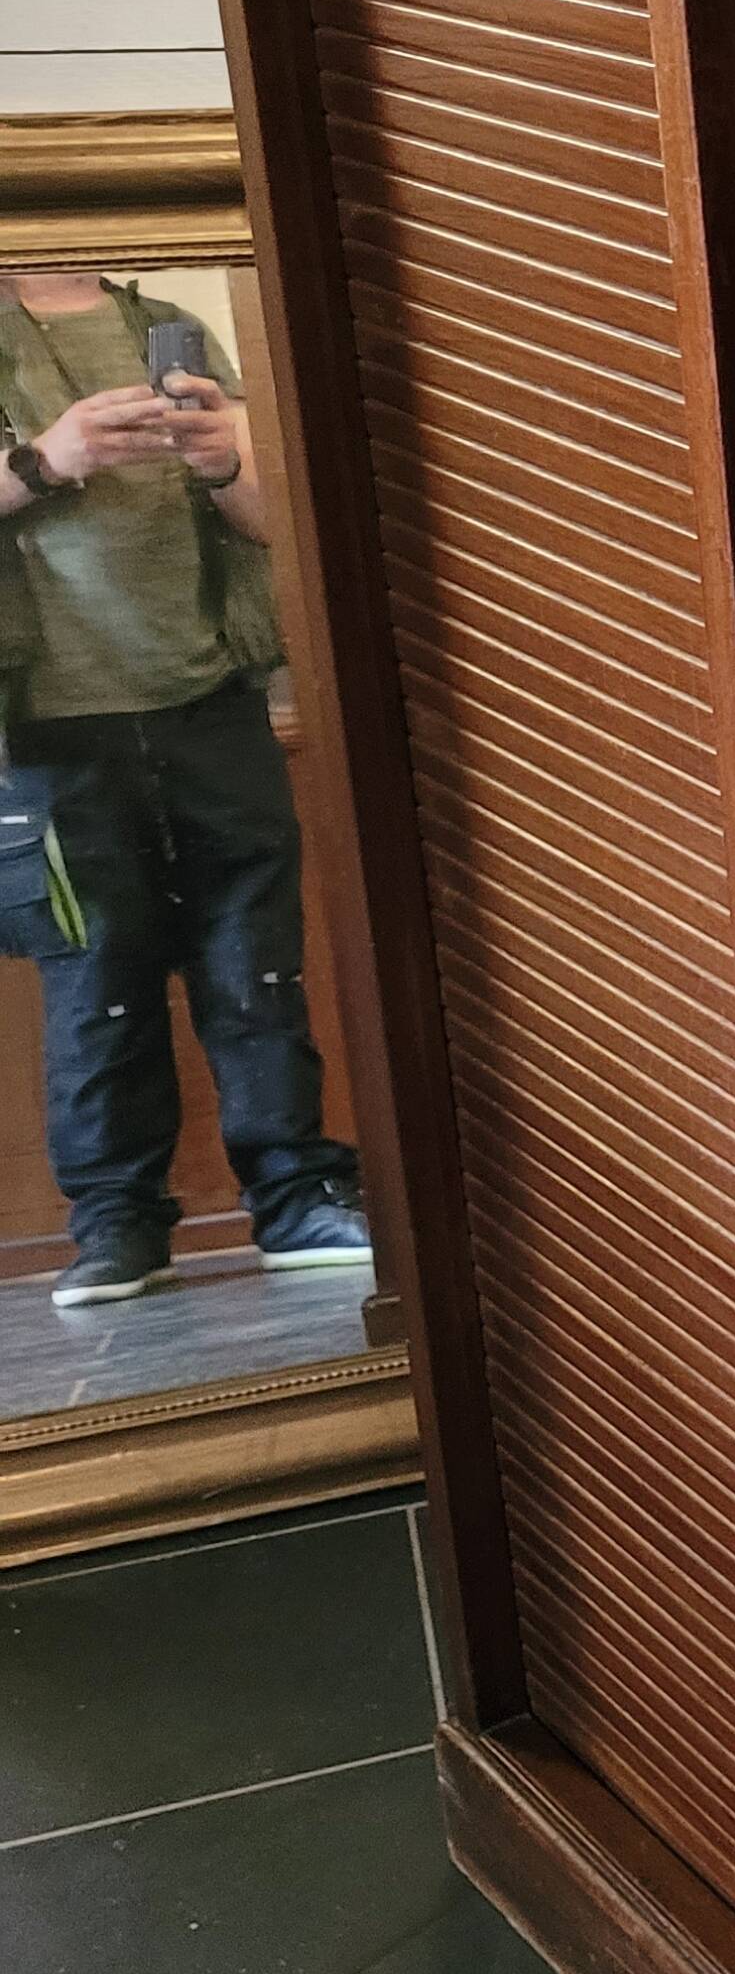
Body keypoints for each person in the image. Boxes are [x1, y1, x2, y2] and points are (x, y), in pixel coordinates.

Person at [0, 269, 370, 1308]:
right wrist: (45, 459)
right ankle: (116, 1227)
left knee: (257, 963)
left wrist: (224, 462)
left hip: (216, 698)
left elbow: (269, 520)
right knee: (96, 980)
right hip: (45, 725)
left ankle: (297, 1199)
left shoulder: (165, 324)